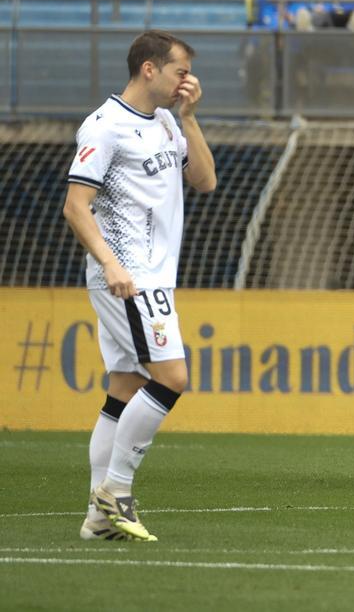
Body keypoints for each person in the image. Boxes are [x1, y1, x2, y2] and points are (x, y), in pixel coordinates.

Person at [64, 30, 217, 541]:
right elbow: (75, 206)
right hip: (128, 278)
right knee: (172, 377)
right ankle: (116, 489)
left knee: (124, 388)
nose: (186, 81)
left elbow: (205, 181)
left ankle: (95, 520)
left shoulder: (170, 122)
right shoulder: (105, 127)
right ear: (149, 69)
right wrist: (111, 265)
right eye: (179, 71)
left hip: (152, 275)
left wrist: (190, 119)